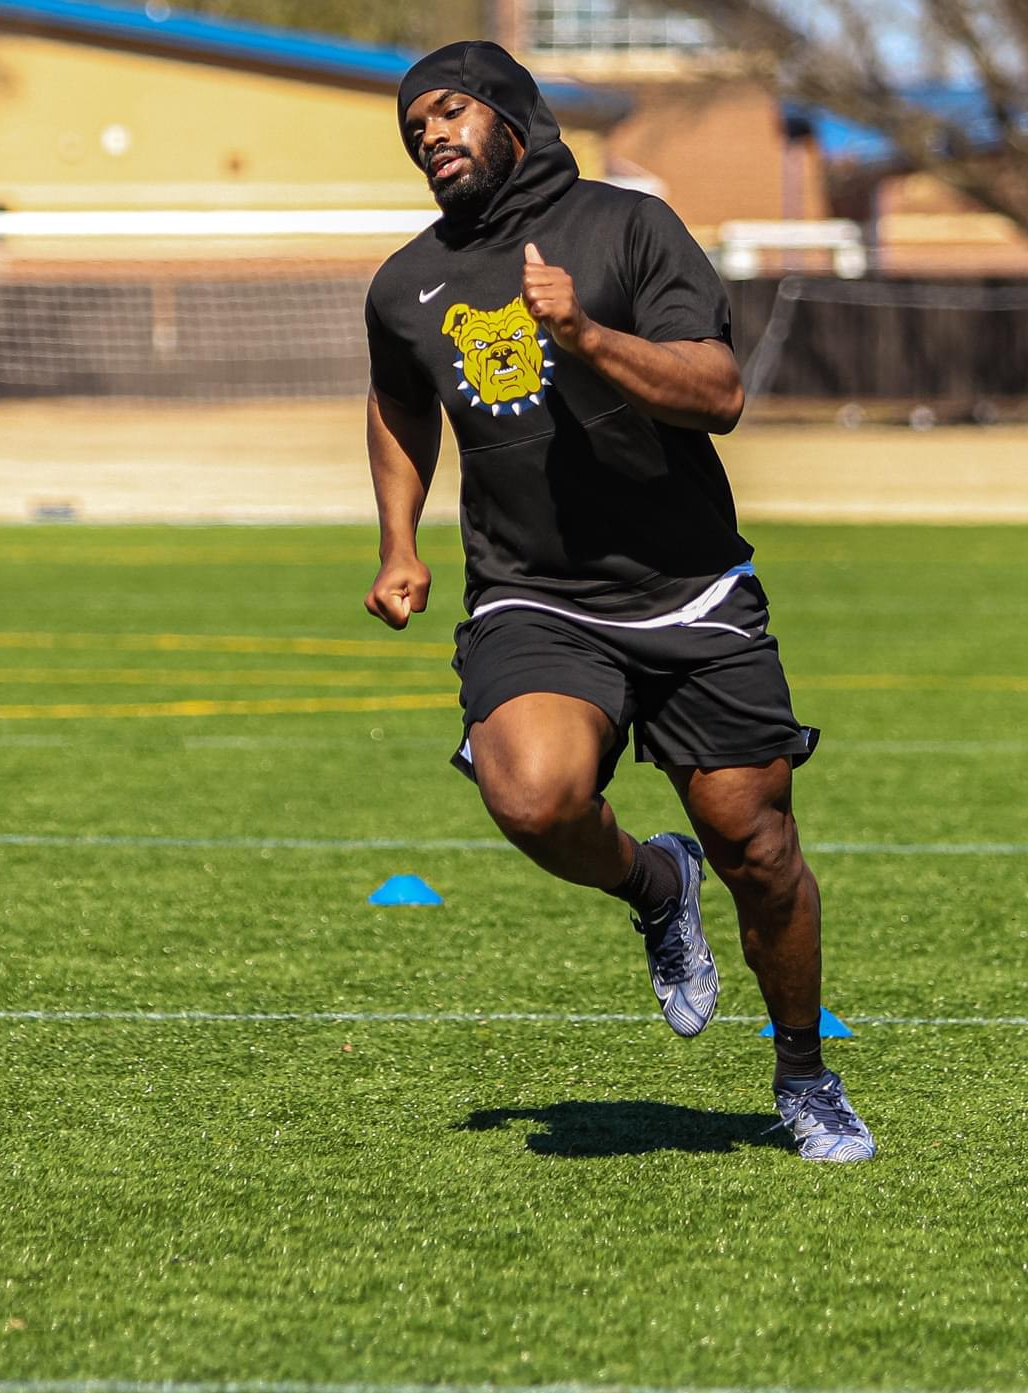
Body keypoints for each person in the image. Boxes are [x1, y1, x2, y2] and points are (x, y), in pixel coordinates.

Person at [360, 40, 873, 1162]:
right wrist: (398, 540)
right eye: (413, 129)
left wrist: (584, 336)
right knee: (534, 797)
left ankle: (802, 1072)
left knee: (758, 845)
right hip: (532, 597)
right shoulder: (405, 283)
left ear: (508, 113)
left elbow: (718, 393)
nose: (430, 137)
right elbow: (397, 405)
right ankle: (653, 882)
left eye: (449, 113)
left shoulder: (629, 229)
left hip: (689, 592)